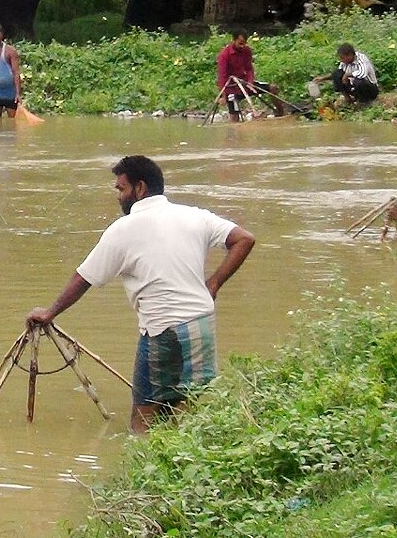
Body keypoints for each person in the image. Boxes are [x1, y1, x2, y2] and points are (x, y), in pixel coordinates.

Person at [25, 155, 255, 434]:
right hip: (202, 324)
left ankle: (143, 464)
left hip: (163, 330)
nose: (119, 197)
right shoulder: (195, 216)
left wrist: (49, 313)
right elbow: (244, 239)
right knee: (187, 407)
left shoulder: (123, 229)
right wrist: (214, 285)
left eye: (121, 189)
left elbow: (83, 278)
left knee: (142, 418)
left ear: (141, 188)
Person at [215, 32, 283, 121]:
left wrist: (250, 83)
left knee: (273, 88)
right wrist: (223, 96)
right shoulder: (224, 55)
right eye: (240, 43)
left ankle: (281, 115)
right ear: (234, 41)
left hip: (245, 84)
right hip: (231, 88)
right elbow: (222, 76)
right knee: (234, 117)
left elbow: (249, 69)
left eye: (244, 43)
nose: (242, 46)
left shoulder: (247, 51)